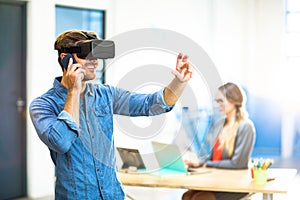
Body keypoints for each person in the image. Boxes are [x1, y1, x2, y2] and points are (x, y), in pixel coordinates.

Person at [29, 30, 193, 200]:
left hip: (112, 195)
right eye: (87, 54)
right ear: (65, 58)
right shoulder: (42, 105)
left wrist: (179, 82)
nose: (94, 61)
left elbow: (151, 105)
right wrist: (74, 91)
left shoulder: (106, 94)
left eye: (97, 55)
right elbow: (61, 142)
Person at [182, 82, 256, 200]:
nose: (218, 105)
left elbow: (237, 164)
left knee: (199, 198)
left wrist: (207, 164)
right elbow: (211, 156)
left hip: (234, 184)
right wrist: (198, 163)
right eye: (217, 101)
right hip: (216, 179)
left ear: (233, 100)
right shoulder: (219, 125)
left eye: (221, 101)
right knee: (187, 196)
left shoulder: (246, 127)